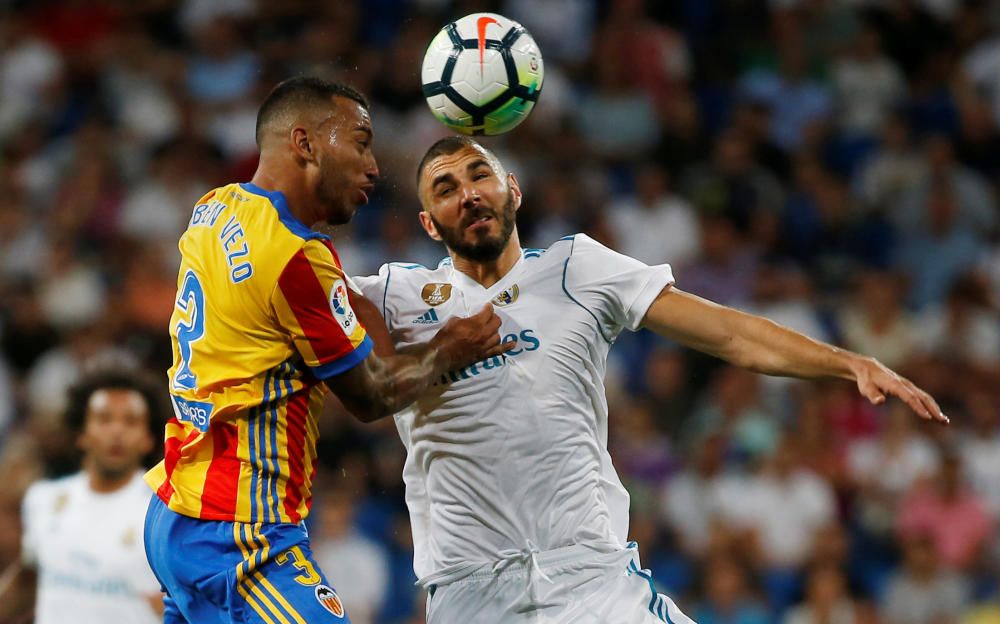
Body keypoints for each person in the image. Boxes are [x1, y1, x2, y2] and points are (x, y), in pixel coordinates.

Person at [352, 135, 947, 623]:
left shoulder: (577, 268)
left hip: (591, 580)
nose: (469, 194)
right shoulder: (394, 296)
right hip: (470, 592)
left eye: (480, 175)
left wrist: (849, 363)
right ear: (430, 224)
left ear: (513, 189)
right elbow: (305, 309)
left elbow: (729, 333)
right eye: (446, 189)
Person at [142, 78, 511, 624]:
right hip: (240, 531)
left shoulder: (215, 207)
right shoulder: (296, 256)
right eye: (360, 142)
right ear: (305, 143)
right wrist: (449, 349)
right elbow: (370, 395)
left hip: (177, 506)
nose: (374, 166)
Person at [0, 370, 163, 623]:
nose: (116, 431)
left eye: (130, 421)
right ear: (82, 433)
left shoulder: (162, 512)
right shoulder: (43, 500)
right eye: (104, 419)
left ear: (148, 439)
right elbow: (27, 579)